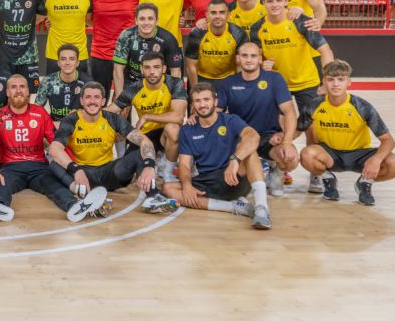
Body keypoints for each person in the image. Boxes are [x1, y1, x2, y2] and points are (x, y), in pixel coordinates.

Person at [0, 75, 107, 222]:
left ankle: (75, 206)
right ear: (7, 92)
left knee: (55, 186)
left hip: (39, 167)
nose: (18, 91)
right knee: (1, 183)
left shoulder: (40, 113)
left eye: (22, 87)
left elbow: (57, 144)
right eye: (14, 87)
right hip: (10, 167)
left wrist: (74, 168)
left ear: (28, 91)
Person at [48, 81, 178, 215]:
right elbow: (54, 149)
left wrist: (149, 165)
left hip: (109, 173)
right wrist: (76, 170)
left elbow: (144, 141)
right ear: (81, 100)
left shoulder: (112, 118)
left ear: (103, 101)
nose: (92, 101)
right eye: (88, 97)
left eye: (96, 97)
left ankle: (152, 197)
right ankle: (86, 198)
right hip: (83, 174)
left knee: (141, 153)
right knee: (54, 164)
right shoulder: (71, 120)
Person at [164, 83, 271, 229]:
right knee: (168, 188)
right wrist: (187, 186)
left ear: (215, 101)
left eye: (206, 99)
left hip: (234, 177)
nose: (202, 104)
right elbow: (183, 164)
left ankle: (261, 208)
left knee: (250, 152)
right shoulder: (187, 130)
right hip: (208, 181)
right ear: (193, 105)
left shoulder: (230, 120)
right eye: (198, 101)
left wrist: (234, 160)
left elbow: (253, 136)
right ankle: (233, 207)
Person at [248, 0, 334, 159]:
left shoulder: (299, 21)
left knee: (312, 127)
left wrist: (326, 81)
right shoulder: (257, 28)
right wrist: (261, 65)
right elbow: (256, 58)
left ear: (287, 1)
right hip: (279, 85)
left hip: (307, 82)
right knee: (279, 128)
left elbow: (326, 51)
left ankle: (315, 172)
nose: (275, 4)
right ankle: (280, 164)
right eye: (270, 1)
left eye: (279, 0)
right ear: (263, 3)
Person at [299, 60, 395, 206]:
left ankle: (364, 183)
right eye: (331, 79)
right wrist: (283, 141)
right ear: (324, 82)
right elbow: (297, 130)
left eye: (340, 79)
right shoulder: (314, 105)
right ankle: (328, 179)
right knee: (306, 154)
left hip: (359, 155)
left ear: (349, 82)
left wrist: (376, 159)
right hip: (330, 154)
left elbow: (388, 140)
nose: (335, 84)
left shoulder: (362, 107)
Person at [218, 41, 299, 197]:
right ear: (237, 59)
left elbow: (289, 112)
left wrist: (287, 142)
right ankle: (252, 172)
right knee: (240, 186)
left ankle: (277, 171)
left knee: (291, 158)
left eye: (253, 56)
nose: (249, 60)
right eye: (245, 55)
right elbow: (215, 113)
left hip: (269, 138)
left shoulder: (274, 79)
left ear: (260, 59)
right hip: (241, 138)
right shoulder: (227, 83)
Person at [89, 0, 140, 98]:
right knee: (98, 100)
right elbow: (87, 19)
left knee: (124, 100)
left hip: (126, 54)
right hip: (100, 54)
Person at [112, 3, 183, 99]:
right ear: (136, 21)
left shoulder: (168, 39)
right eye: (142, 19)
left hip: (159, 83)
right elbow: (118, 69)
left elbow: (176, 71)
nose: (146, 23)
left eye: (150, 18)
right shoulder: (126, 36)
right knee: (120, 109)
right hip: (132, 80)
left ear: (157, 21)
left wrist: (173, 97)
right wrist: (120, 97)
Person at [183, 0, 248, 86]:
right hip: (202, 78)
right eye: (213, 13)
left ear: (228, 15)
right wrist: (196, 89)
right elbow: (191, 66)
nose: (217, 16)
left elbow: (240, 65)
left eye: (222, 12)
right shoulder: (197, 34)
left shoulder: (238, 33)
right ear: (207, 15)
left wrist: (239, 86)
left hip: (229, 77)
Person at [43, 0, 91, 76]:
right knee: (53, 93)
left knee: (80, 93)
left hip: (80, 55)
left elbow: (90, 20)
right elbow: (34, 18)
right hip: (55, 56)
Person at [35, 44, 86, 123]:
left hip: (79, 126)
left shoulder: (87, 82)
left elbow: (94, 111)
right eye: (63, 59)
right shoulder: (48, 81)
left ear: (77, 63)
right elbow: (36, 109)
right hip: (54, 124)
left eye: (71, 59)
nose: (67, 62)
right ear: (58, 63)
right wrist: (46, 122)